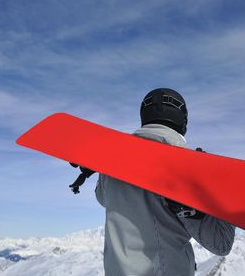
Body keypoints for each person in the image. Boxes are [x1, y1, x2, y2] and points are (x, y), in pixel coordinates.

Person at [74, 88, 235, 275]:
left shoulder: (112, 164)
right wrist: (215, 195)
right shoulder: (185, 170)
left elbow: (102, 198)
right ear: (183, 122)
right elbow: (221, 244)